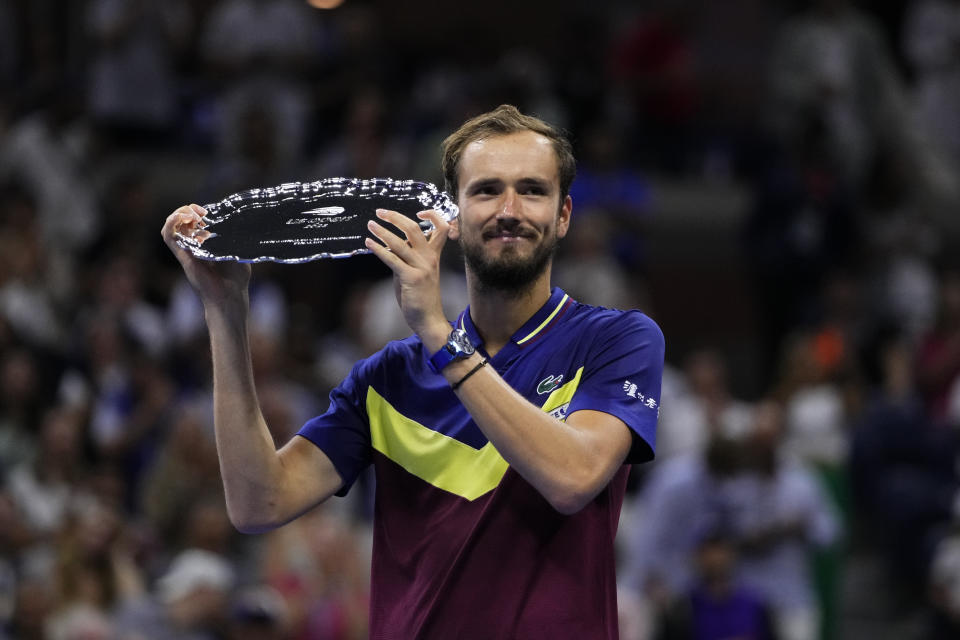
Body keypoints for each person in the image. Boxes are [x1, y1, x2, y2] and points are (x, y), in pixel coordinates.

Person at [160, 104, 665, 639]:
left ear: (563, 215)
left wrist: (439, 336)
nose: (510, 209)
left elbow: (573, 479)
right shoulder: (388, 378)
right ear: (452, 216)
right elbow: (258, 501)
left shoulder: (616, 340)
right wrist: (224, 310)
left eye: (533, 191)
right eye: (487, 189)